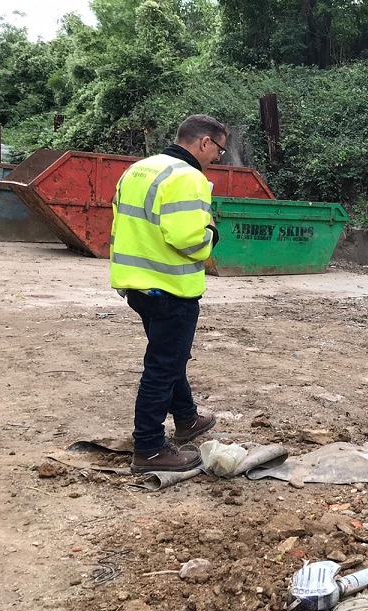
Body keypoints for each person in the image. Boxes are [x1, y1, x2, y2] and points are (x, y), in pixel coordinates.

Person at [110, 114, 226, 473]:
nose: (218, 158)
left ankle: (188, 418)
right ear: (204, 142)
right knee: (163, 365)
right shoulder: (188, 177)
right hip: (170, 286)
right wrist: (212, 236)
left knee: (170, 355)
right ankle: (149, 447)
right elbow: (188, 239)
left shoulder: (139, 170)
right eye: (219, 150)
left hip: (136, 282)